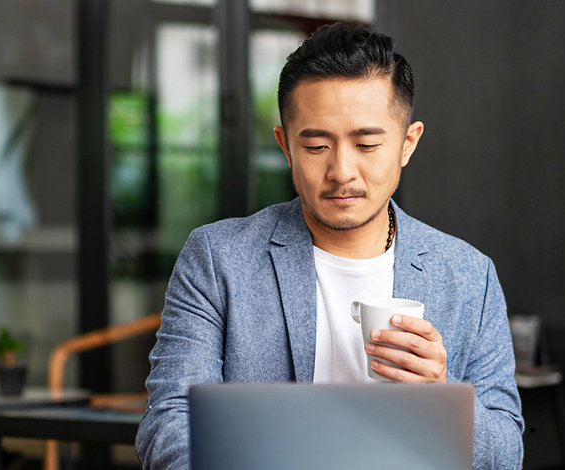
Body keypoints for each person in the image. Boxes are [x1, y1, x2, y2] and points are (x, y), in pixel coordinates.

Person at [136, 22, 523, 470]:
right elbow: (170, 424)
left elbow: (506, 455)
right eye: (318, 145)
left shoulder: (467, 275)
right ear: (285, 146)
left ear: (407, 144)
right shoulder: (218, 259)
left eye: (367, 143)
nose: (342, 170)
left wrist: (441, 394)